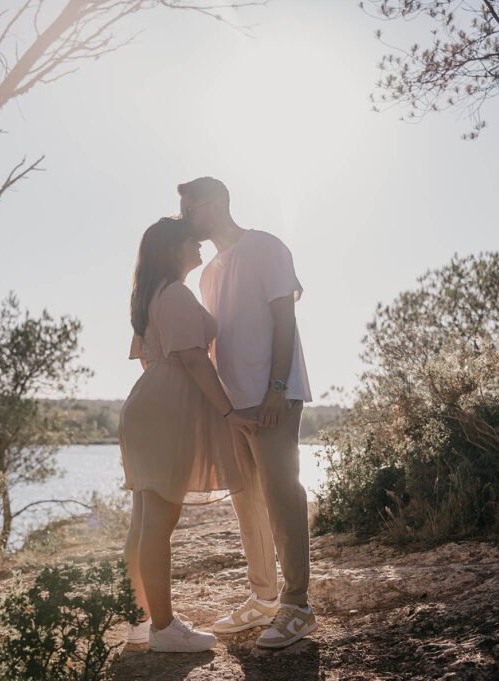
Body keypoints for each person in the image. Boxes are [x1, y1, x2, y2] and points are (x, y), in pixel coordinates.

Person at [179, 176, 317, 649]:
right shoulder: (207, 274)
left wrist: (278, 387)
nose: (185, 218)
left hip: (272, 396)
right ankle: (263, 597)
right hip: (234, 408)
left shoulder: (265, 247)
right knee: (247, 504)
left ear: (215, 203)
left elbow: (285, 319)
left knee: (281, 495)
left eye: (189, 208)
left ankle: (297, 606)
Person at [118, 216, 255, 653]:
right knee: (159, 522)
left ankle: (141, 621)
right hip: (163, 413)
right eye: (190, 241)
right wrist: (228, 411)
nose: (198, 245)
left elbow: (147, 358)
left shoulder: (150, 295)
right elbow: (196, 361)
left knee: (144, 521)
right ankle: (162, 628)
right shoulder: (175, 294)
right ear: (172, 249)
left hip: (147, 405)